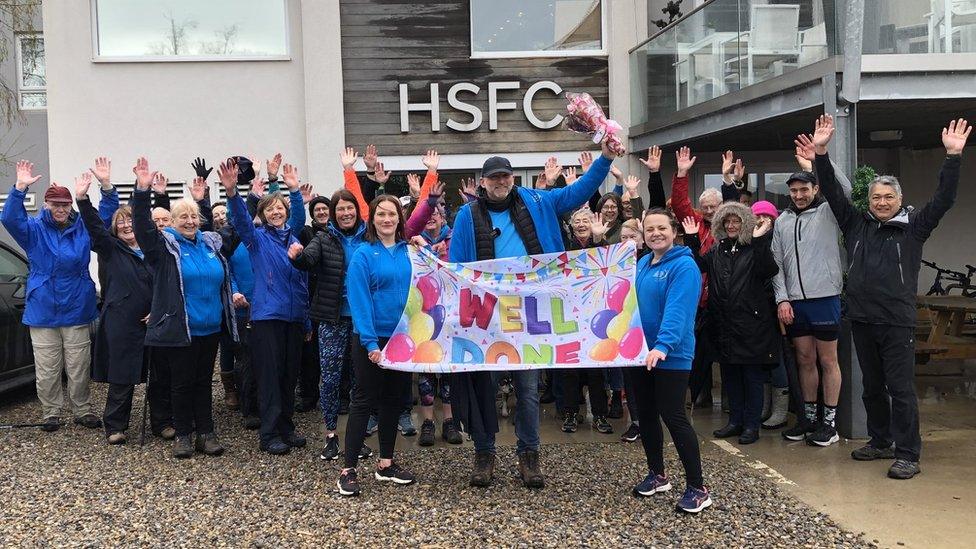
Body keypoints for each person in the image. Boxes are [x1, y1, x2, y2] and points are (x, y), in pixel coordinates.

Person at [804, 115, 969, 479]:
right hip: (862, 319)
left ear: (899, 199)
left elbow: (944, 199)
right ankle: (881, 441)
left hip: (897, 322)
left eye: (888, 197)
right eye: (876, 197)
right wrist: (820, 153)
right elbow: (831, 191)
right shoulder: (855, 223)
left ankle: (908, 452)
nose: (881, 202)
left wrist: (953, 157)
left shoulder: (915, 227)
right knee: (872, 389)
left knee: (901, 390)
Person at [449, 138, 617, 489]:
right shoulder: (467, 216)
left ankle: (529, 454)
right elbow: (456, 266)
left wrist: (604, 159)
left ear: (512, 178)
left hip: (531, 314)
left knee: (527, 389)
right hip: (488, 317)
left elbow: (578, 191)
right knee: (486, 389)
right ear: (483, 182)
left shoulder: (538, 201)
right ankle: (485, 453)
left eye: (505, 176)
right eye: (494, 178)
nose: (500, 182)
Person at [132, 157, 238, 459]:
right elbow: (142, 228)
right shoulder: (164, 248)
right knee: (181, 383)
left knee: (204, 382)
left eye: (193, 216)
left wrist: (235, 193)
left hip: (210, 328)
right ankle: (183, 434)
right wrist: (142, 191)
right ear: (173, 223)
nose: (190, 222)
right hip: (182, 328)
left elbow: (240, 227)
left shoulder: (210, 245)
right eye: (183, 218)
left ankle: (206, 432)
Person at [1, 160, 116, 432]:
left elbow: (107, 218)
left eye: (65, 204)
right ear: (46, 205)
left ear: (71, 206)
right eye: (56, 204)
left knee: (78, 364)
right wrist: (19, 188)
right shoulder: (33, 230)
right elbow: (8, 218)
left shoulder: (83, 227)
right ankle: (51, 412)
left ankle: (82, 409)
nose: (61, 209)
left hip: (77, 304)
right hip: (43, 308)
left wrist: (106, 185)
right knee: (47, 366)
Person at [221, 157, 309, 456]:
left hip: (294, 317)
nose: (275, 212)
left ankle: (286, 427)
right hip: (267, 316)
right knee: (270, 376)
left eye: (280, 208)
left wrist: (295, 192)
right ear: (263, 214)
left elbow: (299, 217)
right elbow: (241, 221)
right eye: (270, 209)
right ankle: (269, 432)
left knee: (289, 374)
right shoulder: (255, 239)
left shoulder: (295, 238)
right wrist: (233, 194)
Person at [632, 207, 710, 513]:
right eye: (650, 229)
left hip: (670, 354)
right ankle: (658, 474)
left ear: (674, 230)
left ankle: (698, 487)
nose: (656, 234)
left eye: (661, 228)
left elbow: (678, 311)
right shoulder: (642, 264)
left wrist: (663, 346)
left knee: (673, 415)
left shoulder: (684, 267)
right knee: (647, 414)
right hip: (640, 353)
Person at [339, 195, 417, 496]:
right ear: (372, 219)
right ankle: (348, 469)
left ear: (400, 219)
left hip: (402, 338)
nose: (387, 219)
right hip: (371, 340)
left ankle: (386, 463)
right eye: (381, 214)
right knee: (363, 401)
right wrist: (370, 342)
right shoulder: (363, 254)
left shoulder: (409, 252)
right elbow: (359, 302)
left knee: (393, 401)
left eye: (392, 214)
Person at [769, 161, 850, 445]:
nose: (799, 195)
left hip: (825, 297)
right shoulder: (782, 221)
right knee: (804, 359)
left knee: (828, 360)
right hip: (795, 303)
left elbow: (845, 191)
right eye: (794, 190)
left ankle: (830, 424)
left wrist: (819, 162)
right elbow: (776, 263)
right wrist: (782, 298)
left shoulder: (828, 212)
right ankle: (809, 420)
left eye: (805, 189)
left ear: (815, 188)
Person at [290, 188, 374, 462]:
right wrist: (298, 256)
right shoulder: (324, 238)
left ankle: (355, 436)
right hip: (332, 319)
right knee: (331, 377)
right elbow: (308, 260)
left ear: (357, 211)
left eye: (350, 208)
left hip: (363, 320)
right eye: (340, 209)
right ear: (334, 214)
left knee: (359, 379)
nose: (346, 213)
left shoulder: (369, 237)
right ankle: (330, 435)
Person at [75, 170, 154, 444]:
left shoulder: (154, 250)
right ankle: (115, 426)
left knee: (159, 373)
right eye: (121, 222)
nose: (126, 225)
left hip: (153, 320)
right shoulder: (110, 248)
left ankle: (163, 422)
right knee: (123, 375)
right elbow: (95, 226)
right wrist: (83, 199)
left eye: (131, 220)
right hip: (122, 322)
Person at [700, 200, 779, 445]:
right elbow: (698, 265)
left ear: (745, 223)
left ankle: (751, 425)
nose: (732, 225)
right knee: (731, 376)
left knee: (752, 378)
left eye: (736, 221)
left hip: (751, 325)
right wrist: (693, 240)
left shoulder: (754, 246)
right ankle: (735, 421)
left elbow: (769, 269)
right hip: (724, 325)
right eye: (727, 221)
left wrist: (758, 240)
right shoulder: (716, 250)